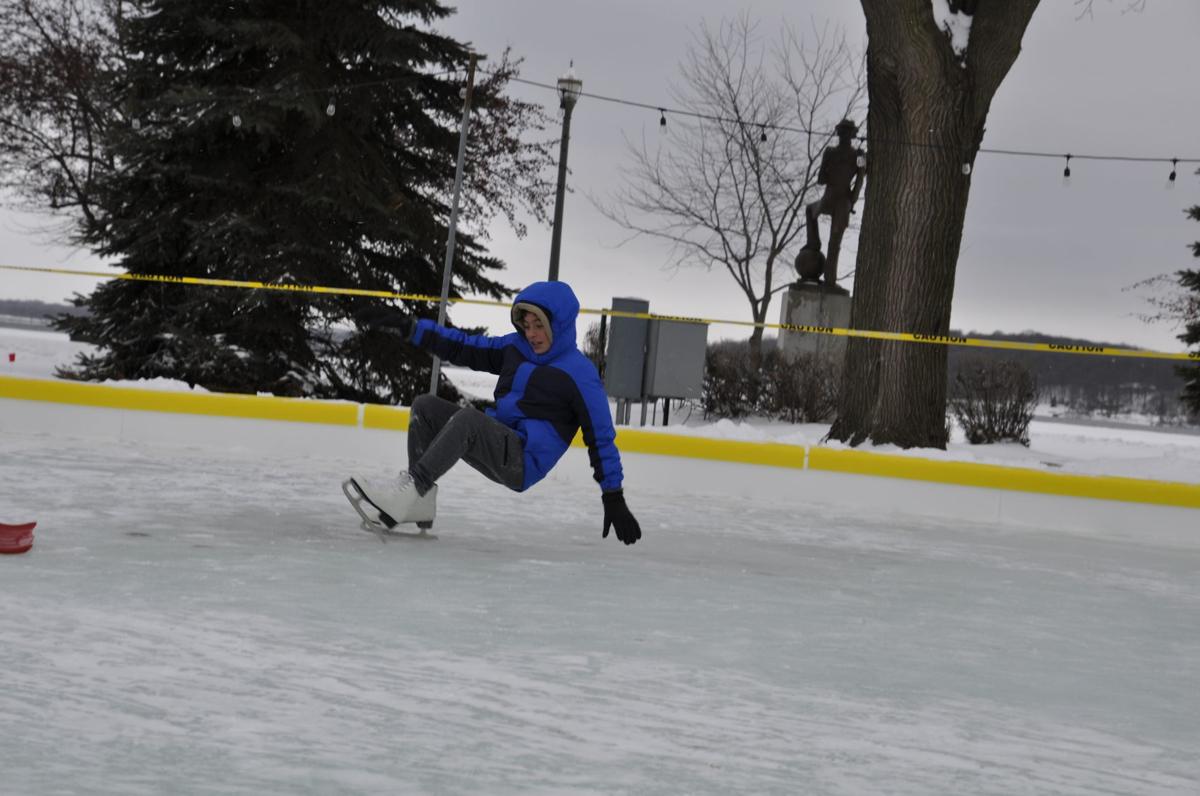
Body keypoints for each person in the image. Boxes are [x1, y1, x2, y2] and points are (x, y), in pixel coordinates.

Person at [346, 280, 642, 545]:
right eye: (526, 326)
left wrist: (613, 496)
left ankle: (410, 491)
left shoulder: (579, 374)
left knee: (470, 421)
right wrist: (410, 328)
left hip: (523, 460)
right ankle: (418, 499)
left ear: (559, 325)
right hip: (498, 441)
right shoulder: (516, 347)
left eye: (539, 325)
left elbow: (600, 438)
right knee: (425, 407)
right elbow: (462, 346)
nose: (532, 334)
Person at [801, 118, 866, 286]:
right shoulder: (859, 155)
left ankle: (813, 245)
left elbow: (821, 179)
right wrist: (852, 200)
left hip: (831, 197)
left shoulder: (831, 152)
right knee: (835, 241)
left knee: (811, 211)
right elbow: (859, 179)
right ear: (852, 135)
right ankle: (830, 279)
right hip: (843, 200)